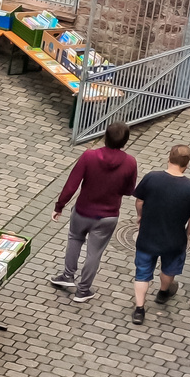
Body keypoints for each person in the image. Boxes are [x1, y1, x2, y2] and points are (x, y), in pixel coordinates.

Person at [49, 120, 136, 302]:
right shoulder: (130, 162)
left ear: (105, 136)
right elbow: (129, 191)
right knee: (94, 253)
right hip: (108, 216)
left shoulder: (89, 156)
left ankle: (67, 276)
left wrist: (59, 206)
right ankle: (83, 290)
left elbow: (72, 184)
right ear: (125, 141)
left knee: (74, 239)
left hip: (82, 211)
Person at [130, 143, 190, 324]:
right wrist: (187, 233)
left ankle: (139, 309)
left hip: (148, 235)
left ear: (169, 158)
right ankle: (163, 292)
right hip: (174, 238)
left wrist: (140, 216)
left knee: (142, 272)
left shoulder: (152, 178)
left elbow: (139, 201)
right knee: (169, 269)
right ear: (187, 164)